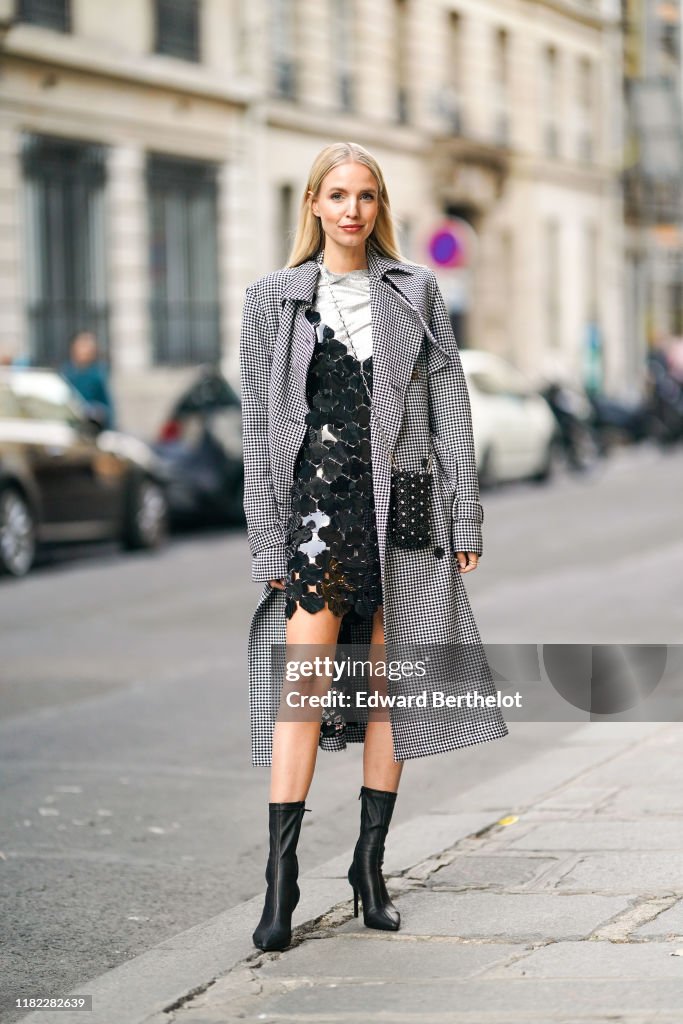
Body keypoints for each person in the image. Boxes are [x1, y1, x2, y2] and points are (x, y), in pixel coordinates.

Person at [239, 141, 508, 953]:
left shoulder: (415, 290)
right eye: (337, 195)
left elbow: (449, 410)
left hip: (409, 506)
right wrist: (266, 538)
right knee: (304, 692)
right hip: (319, 512)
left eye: (365, 195)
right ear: (313, 205)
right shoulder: (270, 300)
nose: (351, 209)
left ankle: (368, 867)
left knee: (391, 688)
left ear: (378, 206)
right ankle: (280, 882)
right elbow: (259, 427)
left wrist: (465, 518)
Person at [61, 331, 116, 430]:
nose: (85, 351)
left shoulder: (97, 376)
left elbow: (107, 408)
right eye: (82, 346)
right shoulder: (66, 373)